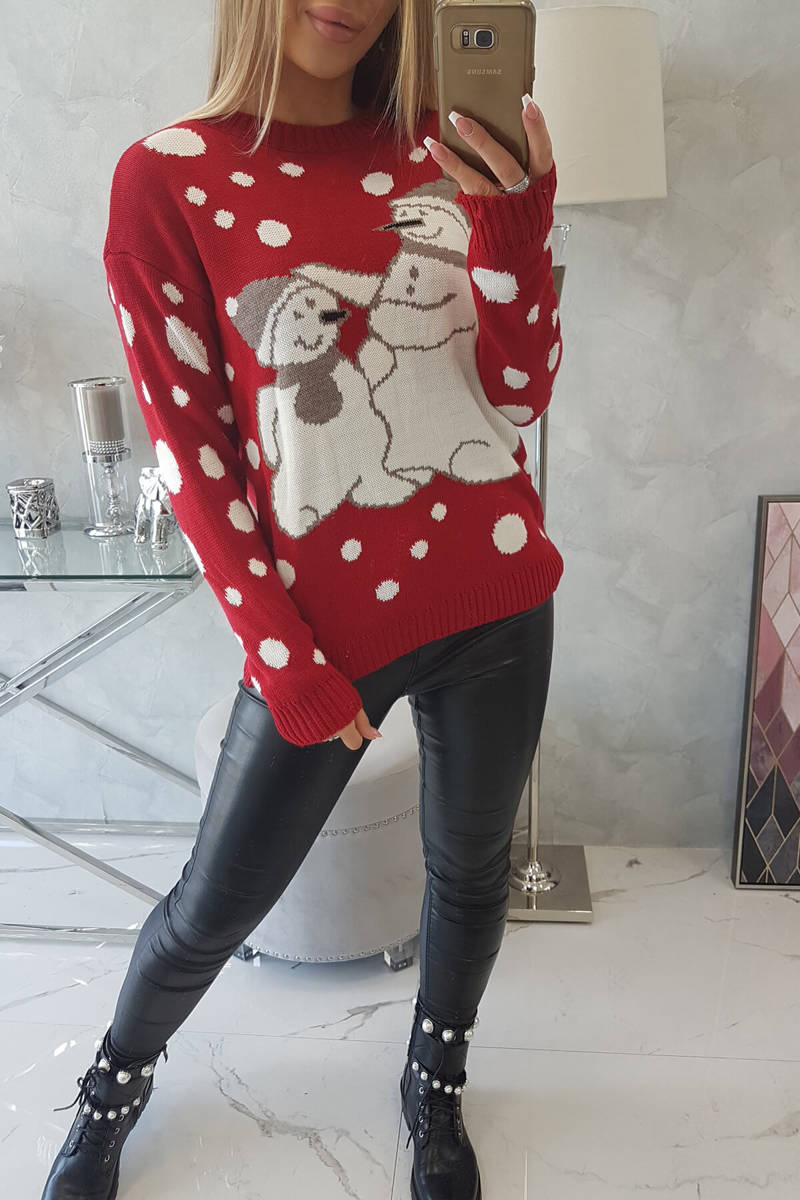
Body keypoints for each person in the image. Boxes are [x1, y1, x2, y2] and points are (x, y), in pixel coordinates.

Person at [41, 1, 563, 1196]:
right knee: (213, 905)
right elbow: (195, 460)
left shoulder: (444, 147)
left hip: (495, 592)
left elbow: (517, 396)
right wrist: (286, 663)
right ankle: (112, 1085)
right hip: (325, 631)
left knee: (469, 875)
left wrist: (516, 223)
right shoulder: (167, 179)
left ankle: (433, 1083)